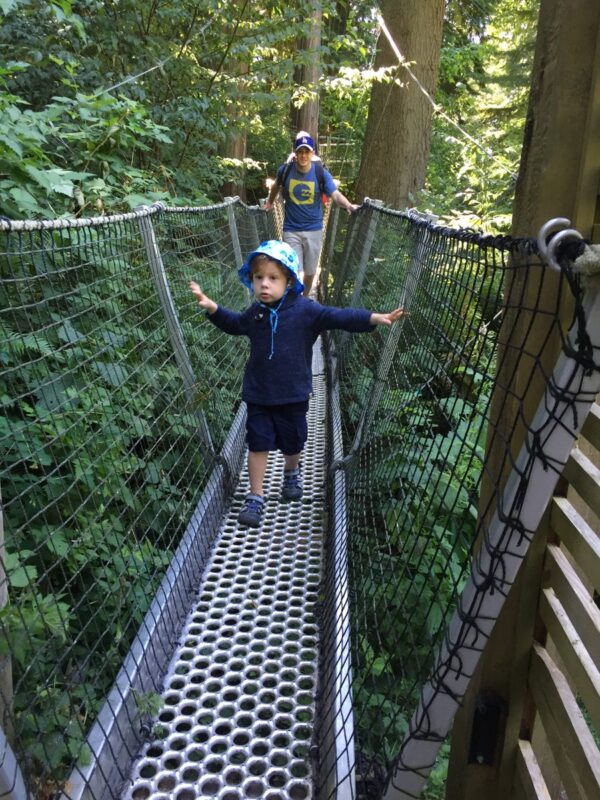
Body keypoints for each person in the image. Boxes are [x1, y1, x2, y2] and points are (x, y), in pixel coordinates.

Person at [189, 240, 406, 529]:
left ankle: (292, 472)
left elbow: (338, 316)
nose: (264, 285)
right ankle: (256, 496)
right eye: (258, 278)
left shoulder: (306, 310)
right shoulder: (255, 314)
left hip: (293, 394)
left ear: (289, 281)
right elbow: (234, 324)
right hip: (259, 394)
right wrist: (213, 308)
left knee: (294, 442)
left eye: (273, 278)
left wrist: (372, 318)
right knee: (258, 443)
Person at [264, 131, 358, 298]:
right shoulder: (285, 170)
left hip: (314, 229)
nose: (303, 155)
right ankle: (294, 300)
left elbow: (334, 194)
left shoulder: (320, 172)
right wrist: (270, 202)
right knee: (293, 269)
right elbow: (276, 186)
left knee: (310, 271)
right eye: (300, 151)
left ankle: (305, 297)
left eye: (307, 151)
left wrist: (348, 205)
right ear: (295, 153)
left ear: (312, 153)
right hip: (291, 229)